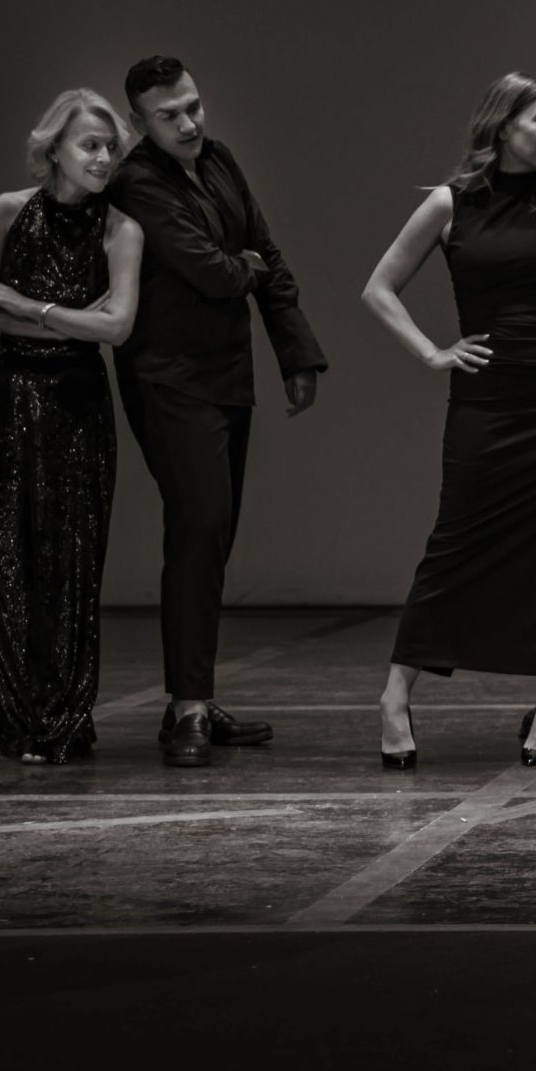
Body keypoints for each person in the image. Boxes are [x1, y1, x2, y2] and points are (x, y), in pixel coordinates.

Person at [362, 74, 536, 769]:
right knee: (456, 540)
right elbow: (379, 288)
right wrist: (432, 353)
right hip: (490, 399)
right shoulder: (451, 203)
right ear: (503, 125)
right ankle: (394, 695)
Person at [108, 56, 327, 767]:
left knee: (213, 537)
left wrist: (296, 354)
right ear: (139, 121)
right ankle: (188, 710)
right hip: (168, 379)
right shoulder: (136, 180)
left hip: (228, 376)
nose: (188, 123)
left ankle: (191, 696)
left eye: (193, 106)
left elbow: (268, 256)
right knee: (199, 528)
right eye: (168, 115)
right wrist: (244, 266)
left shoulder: (220, 159)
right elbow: (210, 268)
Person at [0, 90, 145, 763]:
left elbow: (116, 327)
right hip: (11, 397)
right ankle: (21, 722)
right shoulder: (9, 211)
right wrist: (69, 320)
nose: (103, 157)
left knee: (71, 562)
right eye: (89, 144)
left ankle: (64, 718)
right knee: (8, 556)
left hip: (77, 402)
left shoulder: (121, 230)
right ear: (54, 148)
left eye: (110, 147)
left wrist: (30, 307)